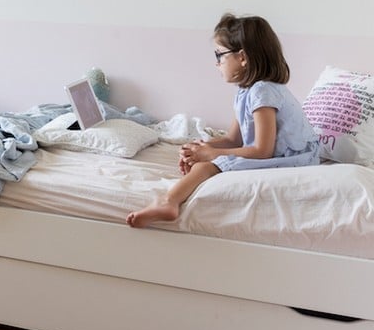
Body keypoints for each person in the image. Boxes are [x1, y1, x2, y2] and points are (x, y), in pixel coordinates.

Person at [126, 12, 319, 228]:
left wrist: (212, 154)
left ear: (243, 58)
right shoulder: (246, 91)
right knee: (206, 158)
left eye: (220, 55)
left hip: (294, 159)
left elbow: (263, 150)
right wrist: (200, 148)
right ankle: (172, 196)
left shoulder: (263, 91)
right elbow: (233, 140)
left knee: (207, 167)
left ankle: (168, 202)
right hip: (274, 152)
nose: (216, 63)